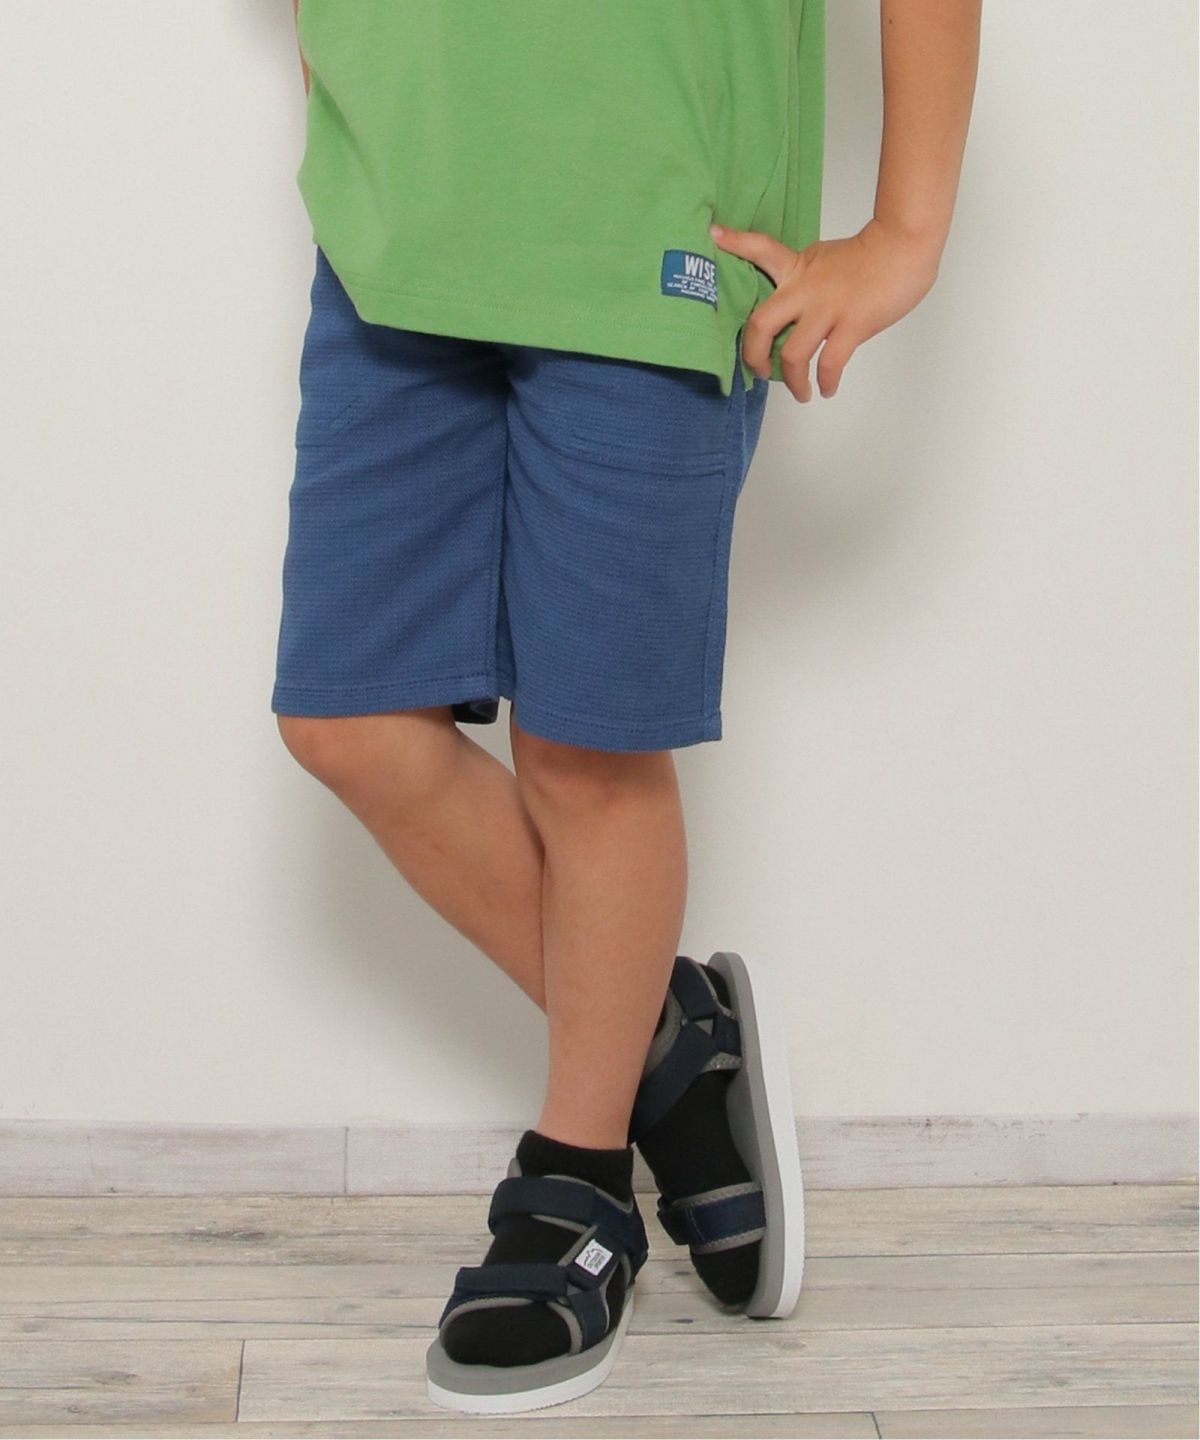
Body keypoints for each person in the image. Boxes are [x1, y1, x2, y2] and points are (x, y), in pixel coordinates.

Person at [273, 0, 981, 1414]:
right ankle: (668, 1044)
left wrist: (907, 231)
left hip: (655, 232)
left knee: (586, 751)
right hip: (395, 227)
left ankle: (579, 1175)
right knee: (349, 721)